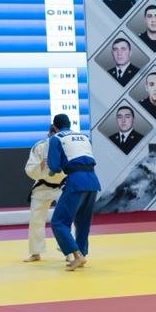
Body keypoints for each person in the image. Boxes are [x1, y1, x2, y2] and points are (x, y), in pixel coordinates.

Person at [46, 114, 100, 272]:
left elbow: (54, 166)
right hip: (93, 181)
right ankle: (82, 253)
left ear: (54, 127)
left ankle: (77, 256)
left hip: (76, 181)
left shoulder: (56, 138)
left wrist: (53, 170)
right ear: (70, 124)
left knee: (59, 222)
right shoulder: (84, 137)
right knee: (83, 221)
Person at [22, 118, 64, 262]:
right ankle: (35, 252)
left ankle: (69, 251)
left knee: (66, 218)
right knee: (36, 219)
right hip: (42, 185)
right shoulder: (39, 147)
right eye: (52, 134)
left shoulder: (66, 145)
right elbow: (29, 169)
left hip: (61, 186)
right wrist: (40, 165)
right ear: (49, 133)